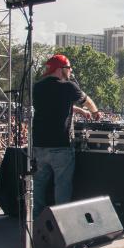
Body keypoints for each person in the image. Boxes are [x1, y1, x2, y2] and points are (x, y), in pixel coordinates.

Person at [32, 54, 102, 219]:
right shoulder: (69, 87)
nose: (70, 72)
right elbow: (87, 100)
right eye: (69, 69)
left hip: (40, 145)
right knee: (62, 186)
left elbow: (54, 106)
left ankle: (37, 220)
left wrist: (78, 111)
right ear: (60, 69)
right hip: (60, 145)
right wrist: (94, 112)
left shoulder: (38, 87)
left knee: (39, 185)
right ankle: (61, 222)